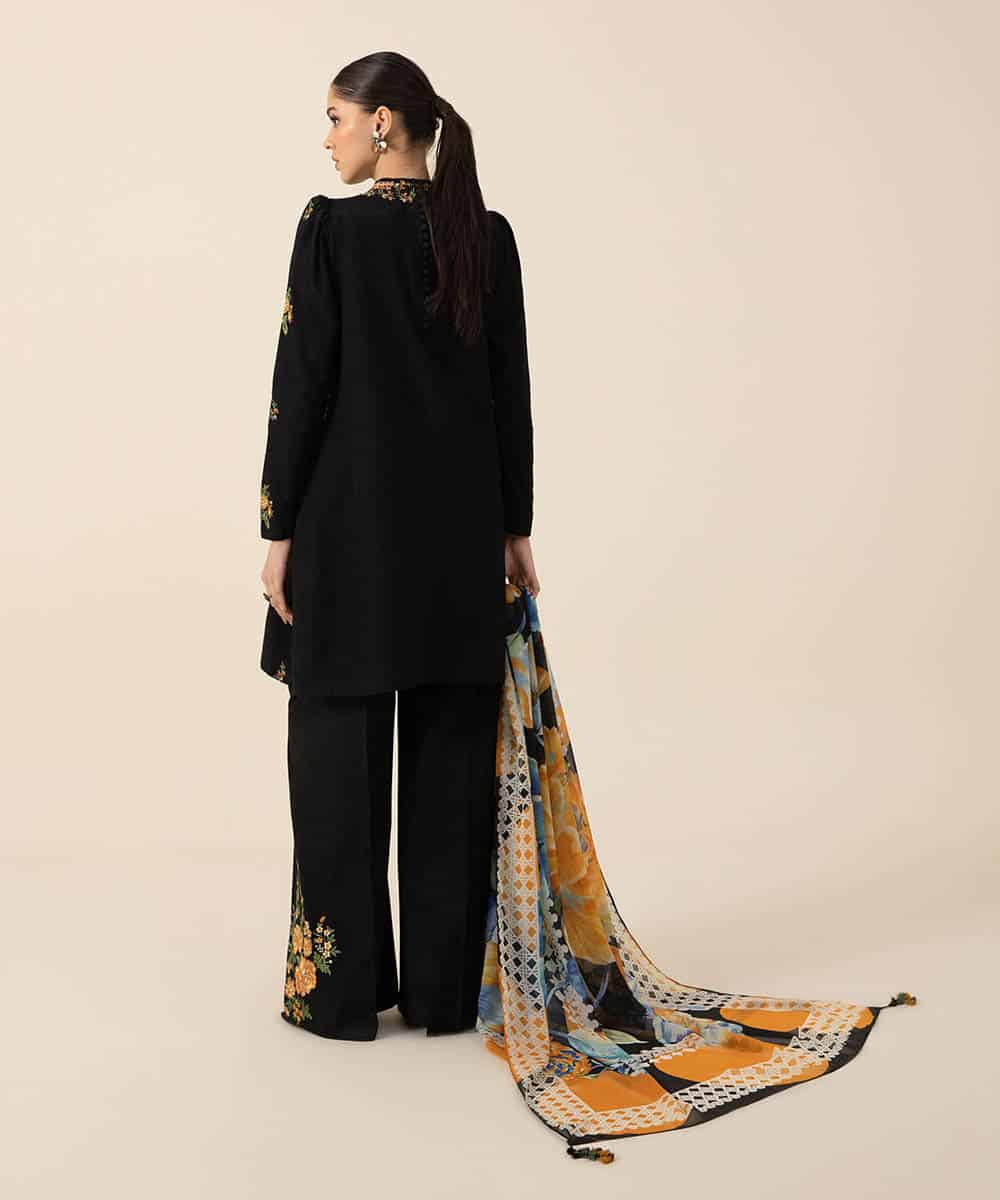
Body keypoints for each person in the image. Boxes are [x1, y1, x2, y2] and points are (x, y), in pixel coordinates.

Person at [257, 51, 539, 1041]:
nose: (326, 138)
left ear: (383, 124)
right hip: (457, 544)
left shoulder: (331, 230)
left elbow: (301, 389)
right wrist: (514, 530)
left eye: (336, 117)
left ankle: (338, 997)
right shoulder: (485, 237)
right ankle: (442, 996)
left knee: (335, 762)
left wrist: (276, 530)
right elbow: (510, 396)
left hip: (346, 537)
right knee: (451, 770)